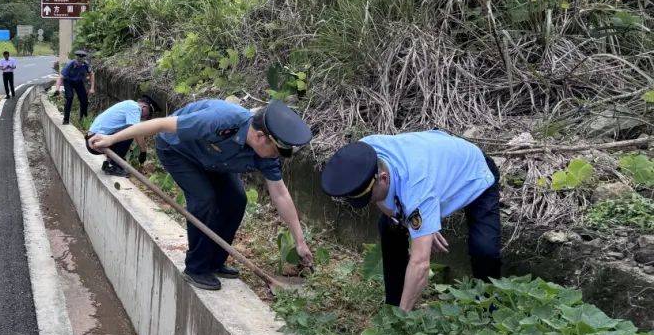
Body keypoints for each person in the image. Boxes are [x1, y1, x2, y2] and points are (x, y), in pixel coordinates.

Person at [90, 99, 314, 291]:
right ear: (260, 137)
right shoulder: (220, 119)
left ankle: (215, 262)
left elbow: (280, 193)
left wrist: (300, 241)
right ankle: (196, 268)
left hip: (214, 162)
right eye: (275, 151)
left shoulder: (267, 154)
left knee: (236, 200)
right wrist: (111, 139)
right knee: (204, 199)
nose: (275, 157)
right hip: (178, 151)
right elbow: (159, 124)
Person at [320, 130, 502, 311]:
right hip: (435, 161)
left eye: (369, 197)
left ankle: (489, 307)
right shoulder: (365, 154)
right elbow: (381, 199)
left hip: (475, 173)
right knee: (389, 226)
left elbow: (420, 265)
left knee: (484, 249)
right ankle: (393, 303)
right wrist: (419, 226)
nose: (371, 202)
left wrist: (403, 316)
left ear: (383, 178)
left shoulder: (416, 190)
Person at [84, 95, 159, 175]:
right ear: (145, 107)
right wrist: (143, 151)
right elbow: (136, 131)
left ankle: (108, 164)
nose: (146, 117)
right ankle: (115, 166)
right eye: (149, 114)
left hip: (93, 139)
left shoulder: (128, 104)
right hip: (95, 142)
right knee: (129, 133)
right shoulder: (135, 108)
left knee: (125, 131)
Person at [56, 49, 95, 125]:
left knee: (84, 100)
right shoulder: (69, 65)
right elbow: (61, 77)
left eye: (81, 61)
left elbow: (92, 74)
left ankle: (82, 118)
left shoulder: (85, 64)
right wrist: (57, 89)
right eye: (78, 61)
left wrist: (92, 88)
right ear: (76, 59)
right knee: (69, 97)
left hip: (78, 82)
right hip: (68, 82)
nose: (80, 63)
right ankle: (66, 119)